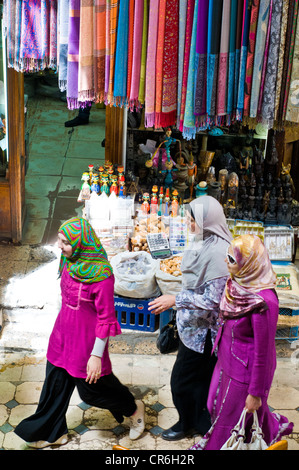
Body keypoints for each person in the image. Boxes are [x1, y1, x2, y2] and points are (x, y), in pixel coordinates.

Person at [14, 217, 145, 449]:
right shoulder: (68, 260)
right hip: (62, 335)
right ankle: (54, 433)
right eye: (59, 239)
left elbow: (105, 318)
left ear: (81, 243)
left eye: (64, 242)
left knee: (92, 393)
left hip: (86, 345)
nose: (58, 245)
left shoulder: (102, 277)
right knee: (54, 386)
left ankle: (133, 409)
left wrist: (96, 356)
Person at [191, 234, 294, 450]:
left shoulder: (264, 302)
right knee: (215, 406)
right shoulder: (238, 282)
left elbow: (264, 353)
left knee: (229, 421)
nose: (226, 263)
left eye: (231, 259)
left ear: (249, 263)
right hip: (226, 361)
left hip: (244, 373)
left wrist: (256, 393)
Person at [149, 195, 232, 440]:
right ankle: (200, 423)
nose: (188, 223)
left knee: (181, 382)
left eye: (191, 220)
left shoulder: (218, 254)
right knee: (199, 381)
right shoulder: (202, 240)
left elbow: (213, 302)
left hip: (203, 333)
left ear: (207, 221)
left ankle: (187, 423)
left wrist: (176, 299)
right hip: (191, 326)